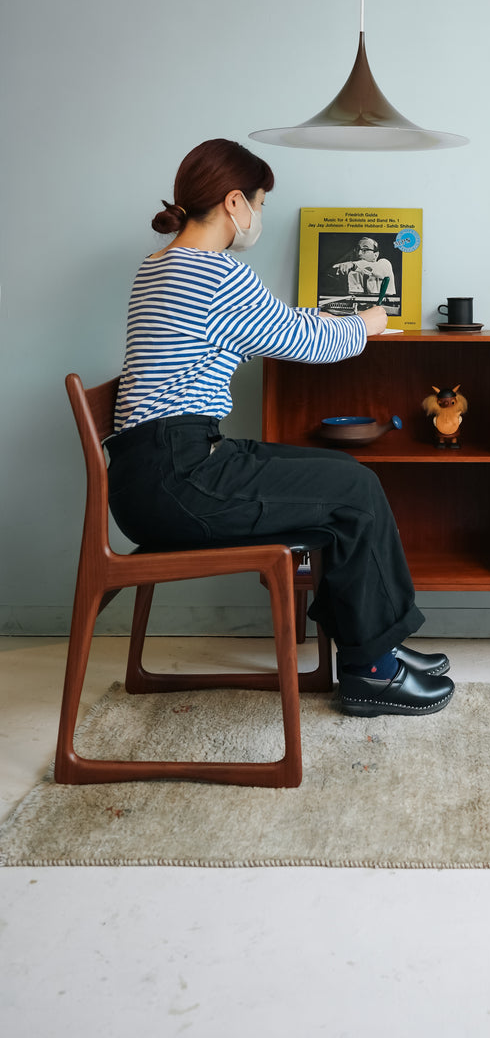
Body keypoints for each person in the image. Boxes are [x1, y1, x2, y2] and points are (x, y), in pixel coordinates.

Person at [105, 138, 454, 718]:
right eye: (260, 204)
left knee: (344, 476)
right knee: (354, 490)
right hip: (180, 477)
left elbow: (269, 324)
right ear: (234, 203)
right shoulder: (215, 273)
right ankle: (373, 670)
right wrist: (369, 320)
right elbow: (310, 342)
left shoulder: (159, 266)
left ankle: (375, 648)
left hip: (153, 475)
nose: (259, 217)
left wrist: (321, 320)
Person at [329, 237, 397, 298]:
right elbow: (357, 298)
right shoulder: (354, 271)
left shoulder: (384, 264)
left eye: (365, 249)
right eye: (357, 249)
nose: (359, 253)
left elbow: (374, 269)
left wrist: (353, 265)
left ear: (375, 255)